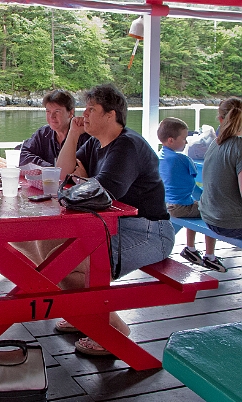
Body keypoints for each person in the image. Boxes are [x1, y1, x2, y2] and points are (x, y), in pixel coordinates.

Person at [54, 84, 175, 356]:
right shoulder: (96, 144)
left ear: (111, 115)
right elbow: (62, 175)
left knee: (68, 263)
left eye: (91, 110)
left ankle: (114, 328)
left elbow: (101, 195)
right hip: (110, 227)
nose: (83, 115)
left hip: (149, 232)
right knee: (56, 255)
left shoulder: (127, 146)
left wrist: (78, 184)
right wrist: (73, 133)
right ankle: (87, 315)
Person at [157, 117, 225, 272]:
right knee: (211, 212)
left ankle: (191, 249)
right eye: (184, 138)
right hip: (180, 207)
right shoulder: (182, 159)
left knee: (195, 206)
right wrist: (209, 200)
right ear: (171, 140)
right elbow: (195, 185)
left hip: (167, 205)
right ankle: (210, 256)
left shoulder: (160, 155)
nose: (186, 142)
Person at [199, 97, 242, 240]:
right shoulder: (239, 147)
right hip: (230, 223)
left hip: (209, 216)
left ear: (220, 119)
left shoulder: (215, 143)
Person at [17, 89, 91, 167]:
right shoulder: (44, 133)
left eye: (57, 111)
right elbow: (21, 152)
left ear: (71, 113)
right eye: (48, 111)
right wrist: (47, 167)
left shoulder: (86, 137)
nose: (52, 116)